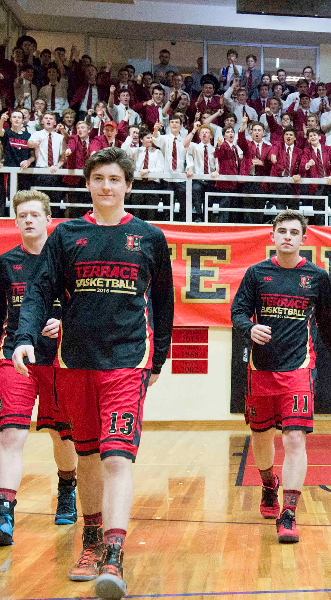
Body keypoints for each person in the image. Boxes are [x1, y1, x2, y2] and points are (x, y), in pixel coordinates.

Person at [12, 147, 174, 599]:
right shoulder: (66, 235)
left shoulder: (148, 237)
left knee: (117, 457)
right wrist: (25, 337)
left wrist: (157, 358)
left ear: (128, 185)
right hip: (75, 361)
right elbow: (39, 293)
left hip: (127, 362)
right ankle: (91, 537)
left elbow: (163, 304)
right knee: (86, 457)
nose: (107, 186)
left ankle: (114, 553)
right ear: (88, 184)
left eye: (115, 179)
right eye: (99, 178)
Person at [231, 210, 331, 543]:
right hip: (261, 370)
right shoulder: (256, 274)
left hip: (299, 369)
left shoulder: (316, 277)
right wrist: (250, 327)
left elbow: (328, 323)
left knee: (295, 439)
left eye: (293, 232)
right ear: (272, 236)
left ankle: (289, 513)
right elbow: (237, 311)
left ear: (303, 239)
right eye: (281, 231)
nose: (287, 237)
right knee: (262, 436)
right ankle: (268, 482)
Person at [0, 190, 78, 547]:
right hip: (15, 359)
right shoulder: (5, 265)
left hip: (60, 361)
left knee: (62, 435)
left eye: (35, 214)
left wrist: (61, 320)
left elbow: (85, 309)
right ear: (15, 222)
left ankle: (66, 487)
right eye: (22, 215)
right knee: (11, 434)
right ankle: (5, 510)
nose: (28, 220)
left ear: (50, 220)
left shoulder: (67, 261)